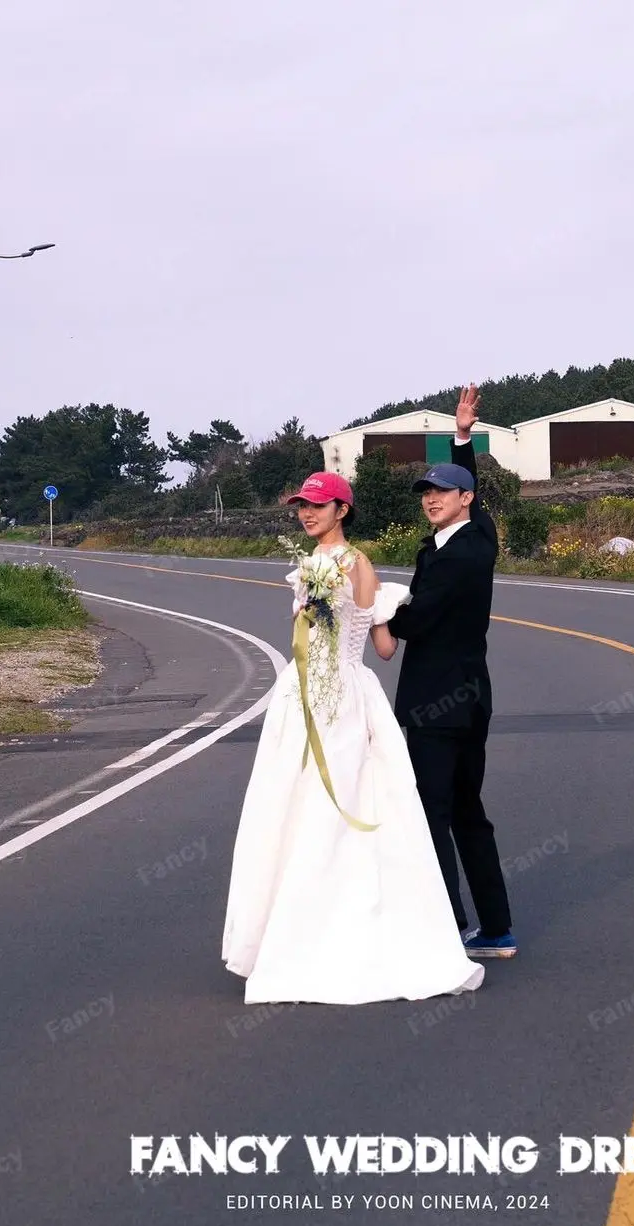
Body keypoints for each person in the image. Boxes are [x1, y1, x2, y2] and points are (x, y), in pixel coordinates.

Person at [221, 470, 484, 1004]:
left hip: (342, 695)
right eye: (301, 506)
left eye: (318, 505)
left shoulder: (357, 562)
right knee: (287, 806)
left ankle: (349, 932)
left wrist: (382, 610)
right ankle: (291, 935)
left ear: (343, 509)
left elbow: (381, 647)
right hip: (298, 698)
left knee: (340, 805)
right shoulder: (305, 568)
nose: (307, 513)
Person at [387, 384, 516, 958]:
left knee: (431, 813)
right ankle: (496, 928)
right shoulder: (477, 535)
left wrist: (373, 605)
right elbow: (475, 491)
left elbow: (412, 625)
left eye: (442, 491)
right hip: (471, 701)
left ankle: (447, 927)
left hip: (437, 707)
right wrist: (461, 438)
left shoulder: (456, 556)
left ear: (463, 500)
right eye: (426, 492)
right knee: (468, 812)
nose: (431, 498)